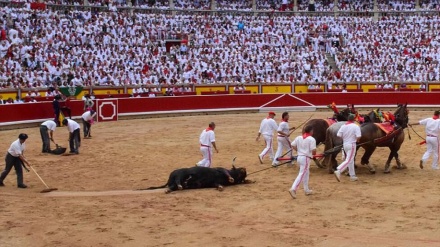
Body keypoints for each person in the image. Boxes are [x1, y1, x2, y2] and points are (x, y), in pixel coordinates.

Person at [289, 125, 316, 199]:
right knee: (302, 174)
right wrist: (313, 155)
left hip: (299, 157)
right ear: (310, 131)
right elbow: (313, 150)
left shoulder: (298, 137)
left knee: (306, 173)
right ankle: (293, 188)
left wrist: (298, 150)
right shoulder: (311, 139)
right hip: (306, 158)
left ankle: (306, 189)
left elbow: (292, 145)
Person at [334, 114, 362, 182]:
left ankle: (352, 175)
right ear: (354, 119)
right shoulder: (355, 126)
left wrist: (345, 137)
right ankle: (339, 170)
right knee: (349, 160)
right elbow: (358, 136)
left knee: (350, 160)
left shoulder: (343, 126)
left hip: (345, 144)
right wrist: (357, 140)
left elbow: (338, 135)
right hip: (352, 144)